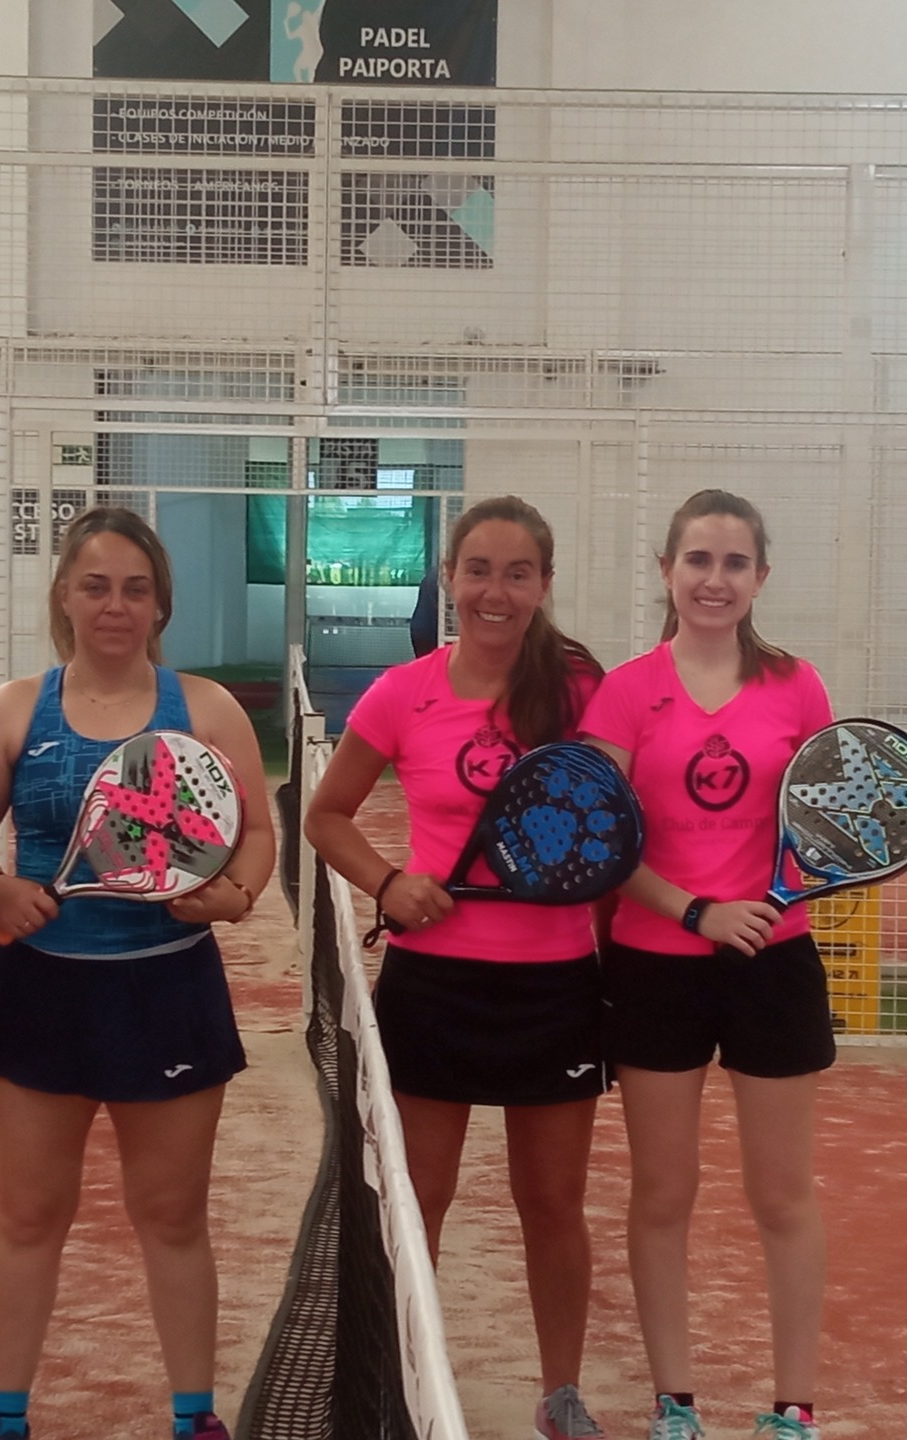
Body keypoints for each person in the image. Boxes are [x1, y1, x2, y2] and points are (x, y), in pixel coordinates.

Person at [580, 490, 907, 1440]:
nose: (715, 580)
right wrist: (696, 910)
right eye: (698, 560)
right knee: (663, 1195)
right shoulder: (624, 692)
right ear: (667, 571)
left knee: (782, 1196)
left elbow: (834, 816)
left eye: (734, 562)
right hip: (656, 965)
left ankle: (793, 1408)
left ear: (761, 577)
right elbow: (602, 840)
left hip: (775, 965)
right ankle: (674, 1404)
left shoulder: (798, 687)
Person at [0, 505, 276, 1440]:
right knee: (30, 1214)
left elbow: (256, 834)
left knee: (172, 1215)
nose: (115, 605)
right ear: (65, 597)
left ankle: (195, 1417)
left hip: (168, 990)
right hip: (38, 992)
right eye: (96, 586)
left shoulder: (205, 710)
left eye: (134, 588)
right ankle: (4, 1417)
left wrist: (233, 896)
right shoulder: (13, 710)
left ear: (160, 604)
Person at [302, 495, 611, 1440]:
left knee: (552, 1204)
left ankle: (561, 1395)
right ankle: (404, 1390)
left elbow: (631, 813)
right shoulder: (403, 694)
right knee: (419, 1201)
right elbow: (325, 816)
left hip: (557, 985)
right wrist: (390, 884)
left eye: (518, 574)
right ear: (449, 579)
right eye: (479, 570)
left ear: (544, 585)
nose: (495, 592)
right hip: (434, 985)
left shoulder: (581, 692)